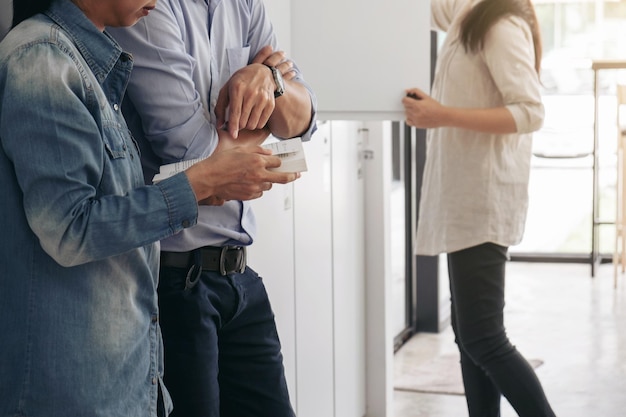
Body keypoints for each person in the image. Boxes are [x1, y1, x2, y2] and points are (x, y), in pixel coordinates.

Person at [0, 0, 299, 416]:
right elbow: (72, 230)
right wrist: (201, 182)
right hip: (81, 373)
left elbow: (301, 120)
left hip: (124, 354)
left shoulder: (92, 61)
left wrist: (267, 79)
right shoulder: (42, 59)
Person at [107, 2, 317, 417]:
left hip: (239, 274)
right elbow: (192, 151)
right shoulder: (147, 8)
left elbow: (303, 123)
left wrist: (269, 78)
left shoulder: (245, 5)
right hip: (173, 280)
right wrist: (270, 125)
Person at [402, 0, 556, 416]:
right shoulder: (467, 11)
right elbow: (423, 9)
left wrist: (441, 114)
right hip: (463, 199)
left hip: (482, 199)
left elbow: (530, 111)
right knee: (469, 338)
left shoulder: (501, 22)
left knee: (483, 337)